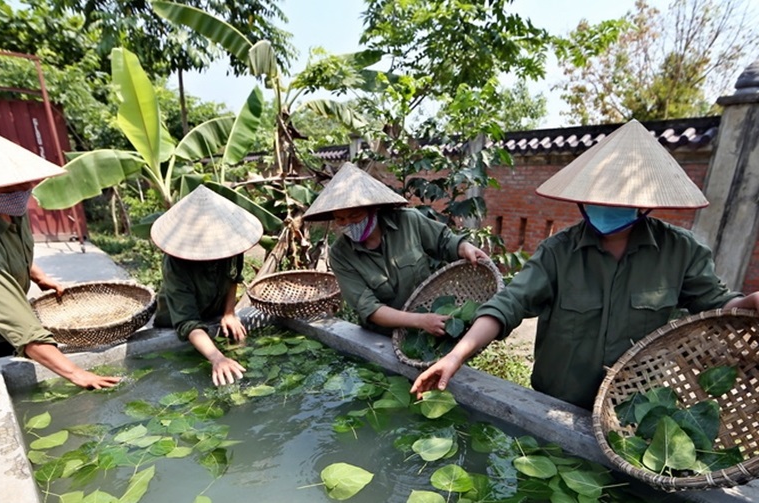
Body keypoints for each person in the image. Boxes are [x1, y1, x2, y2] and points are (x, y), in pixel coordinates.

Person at [411, 119, 759, 410]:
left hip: (632, 408)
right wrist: (455, 357)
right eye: (597, 195)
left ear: (644, 203)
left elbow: (715, 304)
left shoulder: (680, 252)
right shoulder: (557, 252)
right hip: (557, 402)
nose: (605, 204)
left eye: (619, 198)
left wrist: (746, 304)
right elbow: (508, 304)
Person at [0, 119, 120, 388]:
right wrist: (76, 373)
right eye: (7, 187)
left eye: (23, 183)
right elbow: (20, 326)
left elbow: (10, 247)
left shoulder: (11, 208)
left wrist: (38, 274)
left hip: (5, 330)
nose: (20, 192)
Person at [302, 162, 489, 336]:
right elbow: (369, 307)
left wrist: (465, 247)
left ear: (372, 209)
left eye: (355, 215)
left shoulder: (408, 221)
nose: (348, 224)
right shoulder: (340, 254)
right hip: (381, 336)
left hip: (431, 323)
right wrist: (419, 321)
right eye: (340, 219)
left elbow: (444, 241)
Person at [151, 184, 263, 386]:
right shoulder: (175, 263)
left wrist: (229, 312)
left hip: (213, 313)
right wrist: (217, 358)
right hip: (177, 321)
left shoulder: (233, 244)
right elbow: (187, 322)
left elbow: (233, 277)